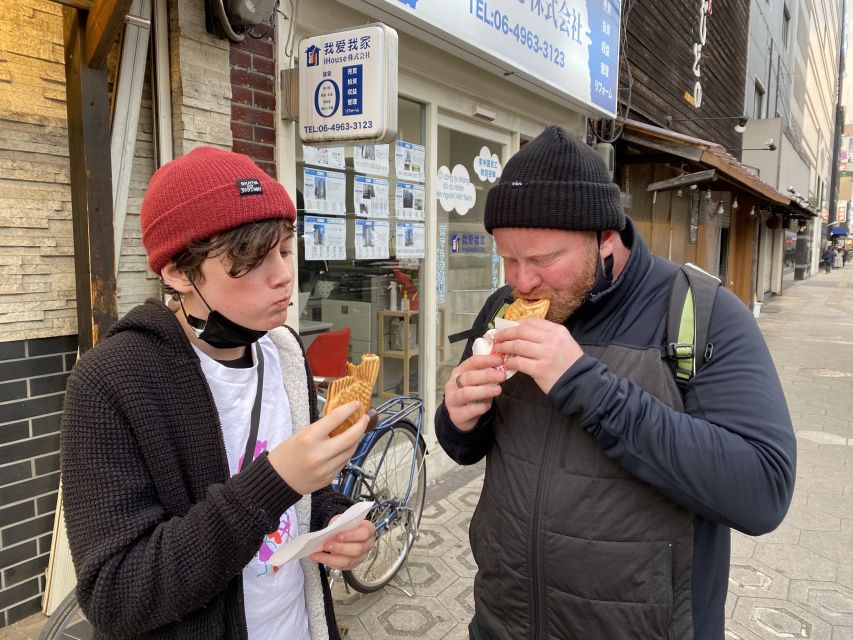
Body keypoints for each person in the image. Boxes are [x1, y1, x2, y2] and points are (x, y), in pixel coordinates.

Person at [435, 127, 796, 640]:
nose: (522, 281)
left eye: (542, 260)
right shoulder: (503, 308)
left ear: (606, 236)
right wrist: (457, 418)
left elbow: (763, 492)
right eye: (507, 258)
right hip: (504, 623)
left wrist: (585, 384)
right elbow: (467, 447)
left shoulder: (704, 315)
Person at [60, 147, 374, 639]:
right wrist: (274, 481)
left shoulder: (285, 352)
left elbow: (308, 498)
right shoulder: (111, 382)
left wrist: (338, 524)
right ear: (177, 272)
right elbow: (114, 595)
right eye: (250, 259)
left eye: (286, 250)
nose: (283, 275)